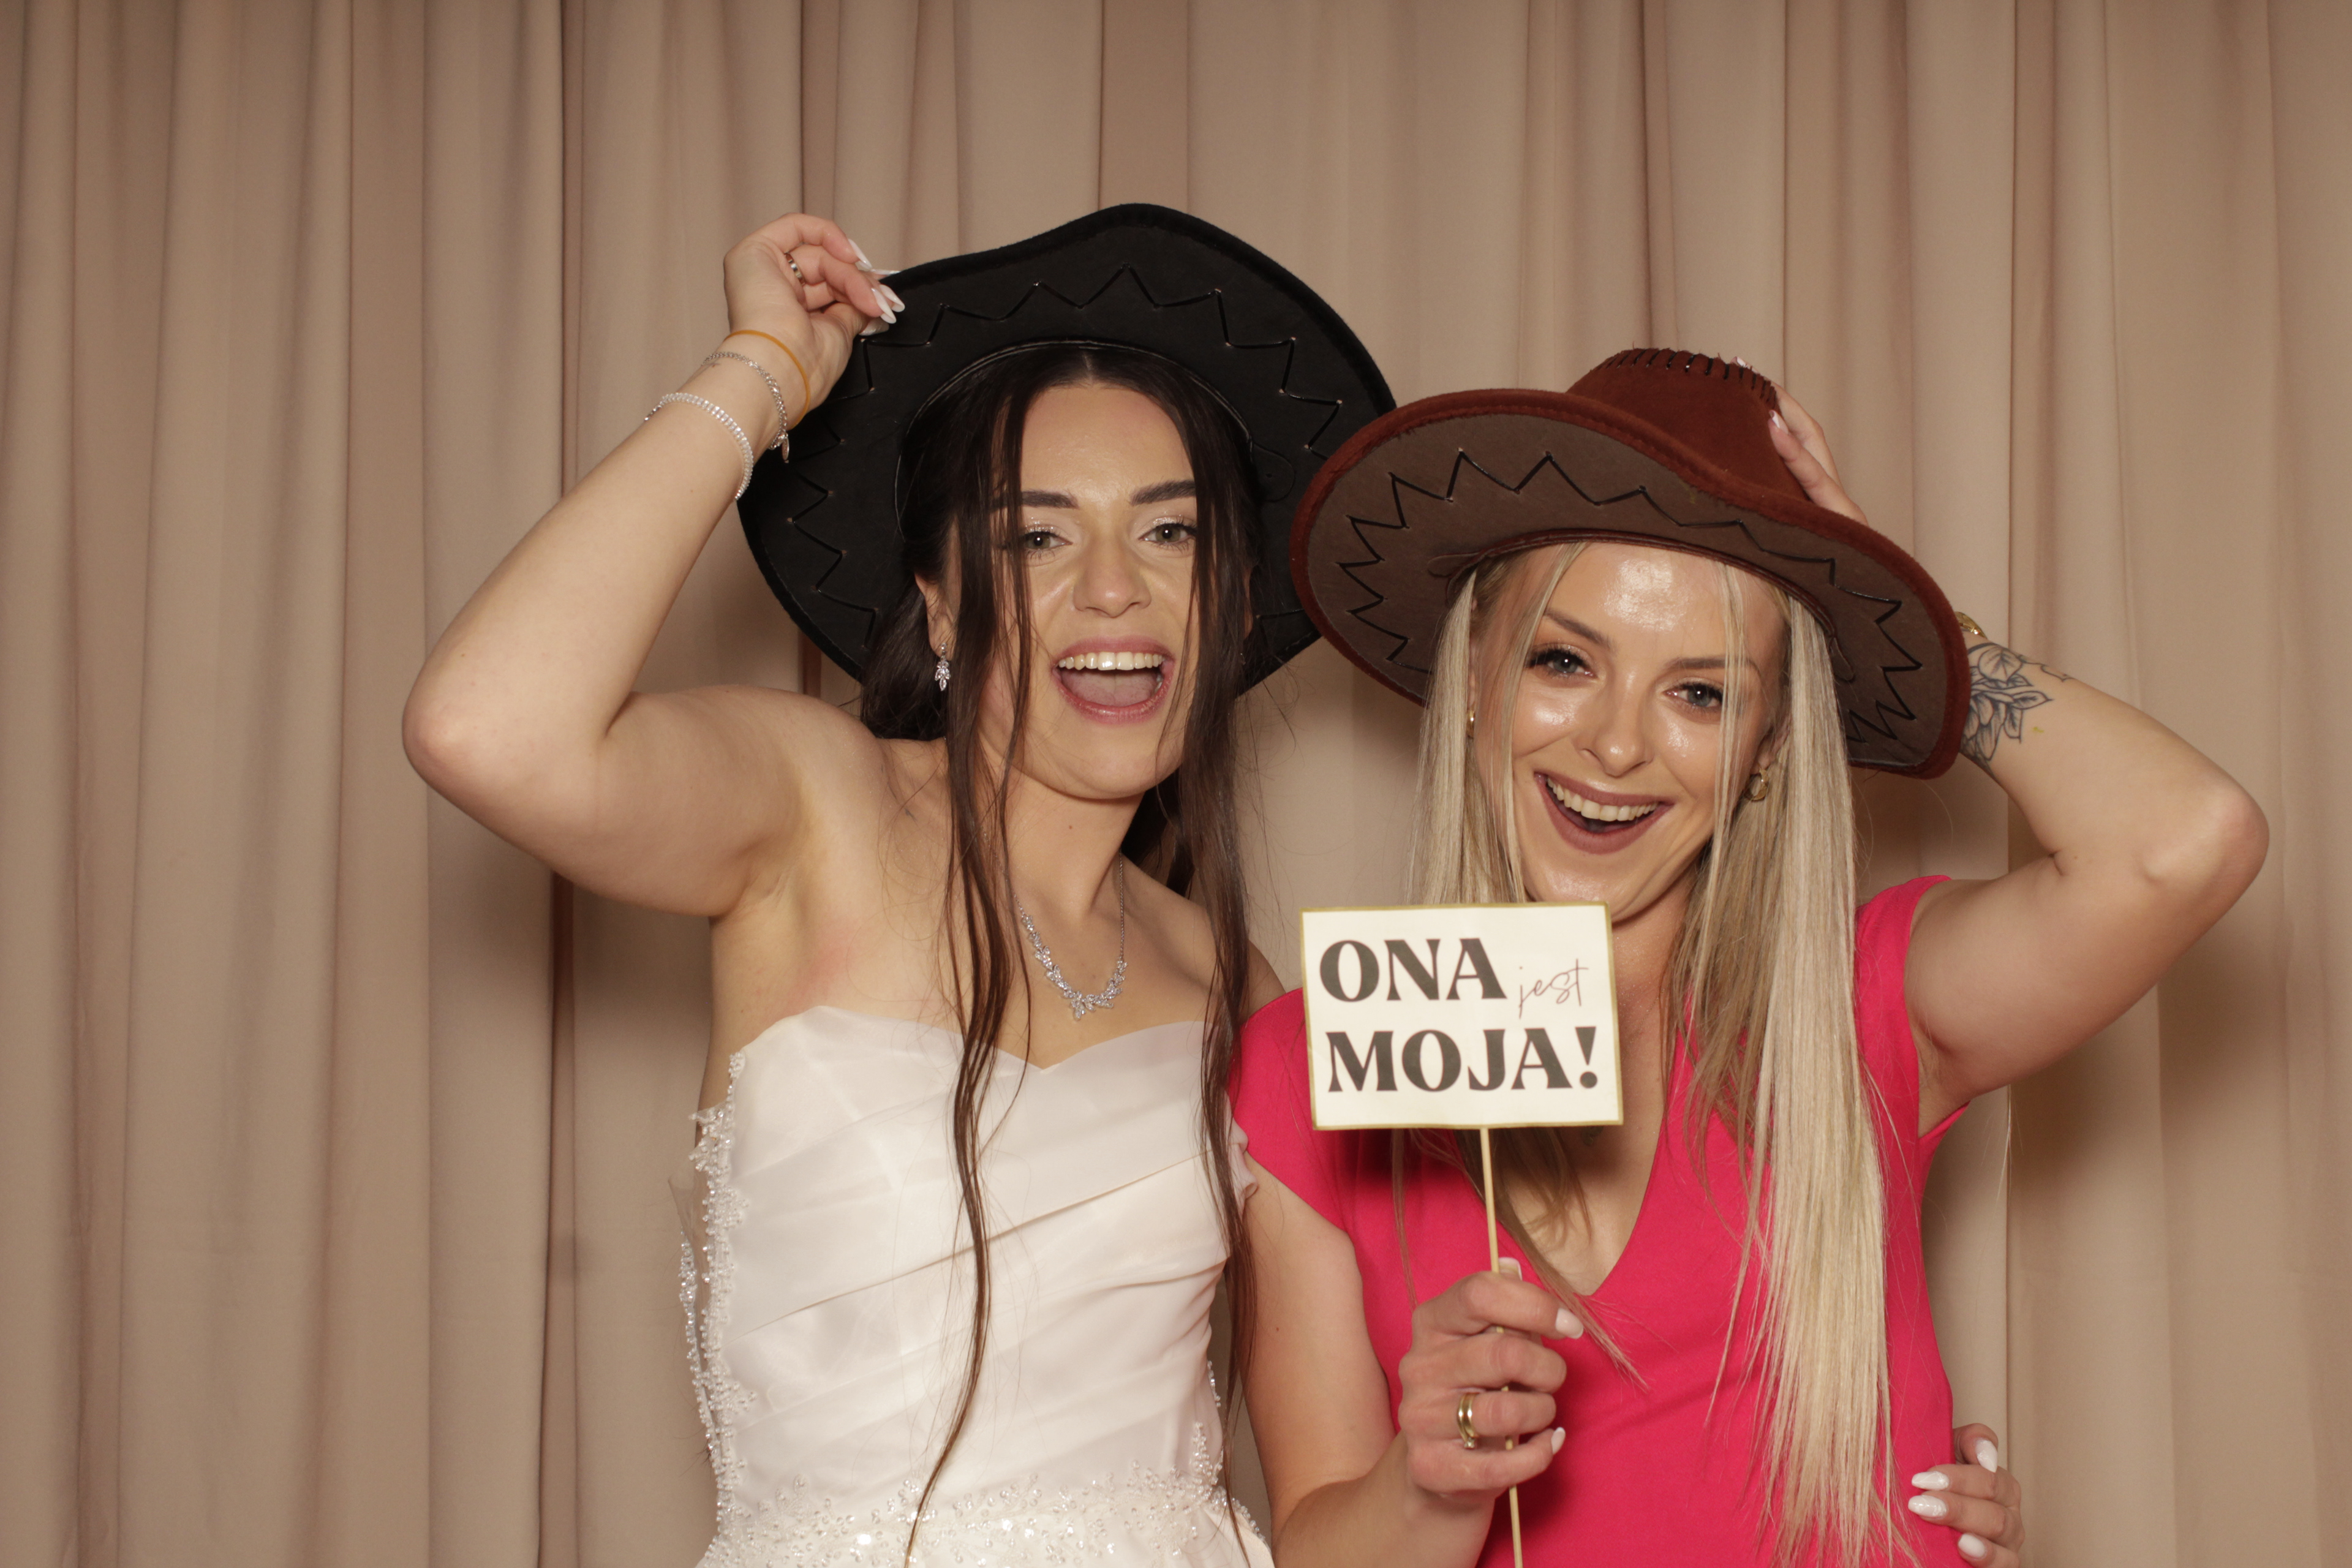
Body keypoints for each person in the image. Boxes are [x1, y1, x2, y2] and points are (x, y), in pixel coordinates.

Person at [402, 205, 1391, 1564]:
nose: (1115, 589)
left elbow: (1347, 1492)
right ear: (939, 603)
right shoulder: (818, 807)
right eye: (1036, 540)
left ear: (1226, 602)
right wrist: (762, 368)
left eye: (1170, 534)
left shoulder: (1241, 984)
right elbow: (486, 730)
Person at [1234, 353, 2266, 1566]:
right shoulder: (1306, 1059)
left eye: (1704, 695)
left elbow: (2187, 841)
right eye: (1565, 661)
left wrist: (1924, 624)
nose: (1617, 744)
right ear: (1472, 677)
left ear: (1772, 744)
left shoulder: (1867, 1001)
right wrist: (1435, 1480)